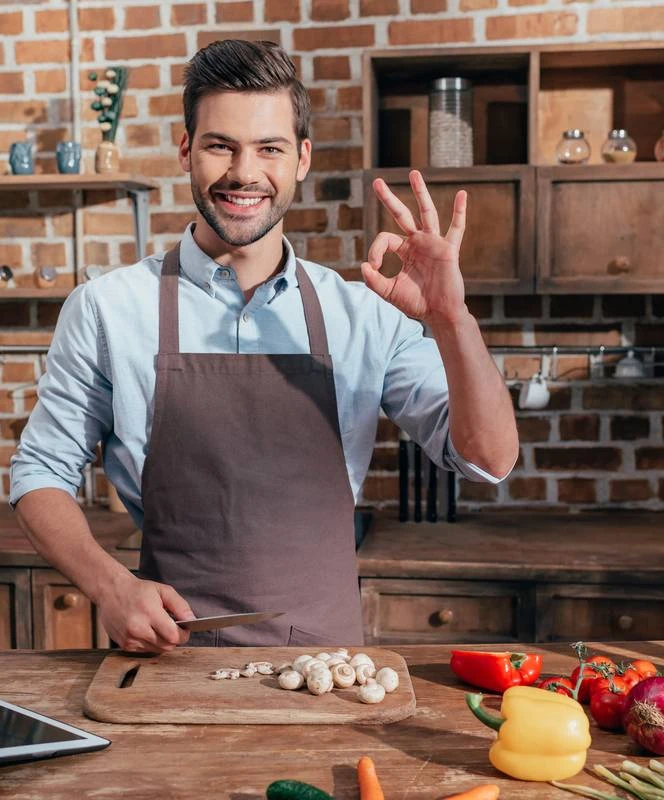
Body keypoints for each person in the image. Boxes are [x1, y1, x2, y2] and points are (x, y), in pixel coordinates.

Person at [10, 39, 518, 653]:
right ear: (185, 151)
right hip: (167, 659)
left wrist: (452, 319)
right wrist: (112, 586)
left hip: (325, 670)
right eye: (220, 145)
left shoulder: (362, 314)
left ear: (302, 158)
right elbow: (39, 472)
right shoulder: (107, 309)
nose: (244, 173)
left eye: (269, 148)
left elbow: (488, 459)